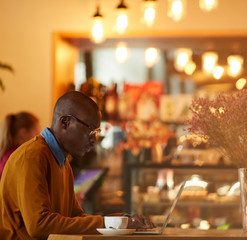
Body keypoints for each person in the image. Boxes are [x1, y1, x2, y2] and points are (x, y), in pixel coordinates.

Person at [0, 91, 154, 240]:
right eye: (90, 130)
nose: (94, 140)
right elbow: (39, 225)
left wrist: (122, 221)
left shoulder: (63, 162)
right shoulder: (32, 157)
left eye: (96, 132)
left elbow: (74, 217)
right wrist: (107, 224)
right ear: (65, 122)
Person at [0, 111, 40, 180]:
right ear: (23, 133)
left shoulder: (7, 154)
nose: (38, 138)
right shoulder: (20, 157)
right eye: (36, 133)